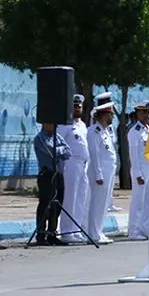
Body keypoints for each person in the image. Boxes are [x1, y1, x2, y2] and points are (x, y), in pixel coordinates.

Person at [57, 95, 91, 243]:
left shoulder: (82, 125)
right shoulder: (64, 124)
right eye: (75, 106)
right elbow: (58, 143)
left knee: (80, 199)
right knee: (70, 198)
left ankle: (76, 229)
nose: (77, 109)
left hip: (83, 164)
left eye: (79, 106)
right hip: (70, 163)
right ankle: (66, 231)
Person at [85, 92, 117, 245]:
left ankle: (98, 231)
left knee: (104, 203)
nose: (113, 117)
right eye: (111, 114)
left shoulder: (105, 131)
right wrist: (98, 174)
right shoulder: (94, 131)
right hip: (100, 173)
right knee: (97, 203)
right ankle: (93, 233)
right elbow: (94, 153)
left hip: (108, 172)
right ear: (105, 114)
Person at [33, 122, 70, 245]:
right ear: (45, 124)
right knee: (46, 204)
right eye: (52, 124)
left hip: (58, 173)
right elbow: (51, 151)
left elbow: (68, 151)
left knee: (57, 204)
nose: (55, 127)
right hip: (47, 174)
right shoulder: (40, 138)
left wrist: (59, 150)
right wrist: (61, 150)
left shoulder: (57, 137)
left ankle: (52, 233)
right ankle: (41, 234)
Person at [127, 102, 149, 240]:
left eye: (148, 112)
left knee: (148, 201)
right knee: (138, 202)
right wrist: (137, 173)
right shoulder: (134, 131)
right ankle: (134, 230)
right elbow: (133, 154)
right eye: (143, 112)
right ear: (137, 113)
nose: (146, 115)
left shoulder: (148, 129)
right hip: (140, 170)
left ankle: (145, 228)